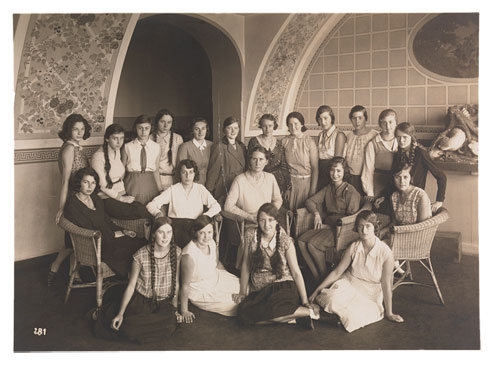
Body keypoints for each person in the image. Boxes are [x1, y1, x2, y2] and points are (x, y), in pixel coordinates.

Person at [309, 210, 404, 333]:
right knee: (329, 298)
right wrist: (317, 290)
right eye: (360, 226)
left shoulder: (385, 252)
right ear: (356, 228)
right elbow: (337, 272)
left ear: (375, 227)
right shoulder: (354, 246)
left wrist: (389, 313)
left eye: (368, 226)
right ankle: (332, 316)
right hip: (350, 283)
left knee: (355, 315)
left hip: (371, 292)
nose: (364, 231)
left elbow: (386, 284)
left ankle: (333, 317)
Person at [96, 217, 182, 344]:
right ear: (153, 234)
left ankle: (147, 327)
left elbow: (177, 283)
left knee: (169, 325)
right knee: (127, 327)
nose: (165, 237)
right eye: (160, 232)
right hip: (141, 301)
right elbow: (131, 286)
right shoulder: (140, 255)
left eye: (169, 232)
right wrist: (120, 313)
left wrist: (175, 310)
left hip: (163, 303)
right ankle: (104, 315)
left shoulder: (177, 252)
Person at [235, 203, 320, 329]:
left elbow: (296, 273)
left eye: (270, 220)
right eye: (262, 220)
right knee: (243, 315)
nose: (266, 225)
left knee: (273, 310)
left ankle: (310, 313)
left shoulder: (286, 241)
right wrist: (242, 292)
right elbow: (246, 265)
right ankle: (295, 318)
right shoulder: (250, 236)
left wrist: (305, 301)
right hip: (261, 291)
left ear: (276, 221)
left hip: (284, 286)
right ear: (257, 221)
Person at [63, 167, 147, 278]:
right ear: (79, 182)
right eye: (86, 182)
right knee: (132, 249)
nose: (90, 186)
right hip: (94, 245)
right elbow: (87, 229)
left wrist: (123, 231)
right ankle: (132, 279)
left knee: (142, 243)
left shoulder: (96, 199)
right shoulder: (72, 205)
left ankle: (136, 280)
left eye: (93, 183)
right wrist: (114, 235)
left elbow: (106, 220)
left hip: (109, 238)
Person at [298, 157, 361, 282]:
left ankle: (324, 276)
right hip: (328, 225)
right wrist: (316, 214)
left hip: (342, 230)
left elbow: (351, 219)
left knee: (311, 245)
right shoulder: (328, 188)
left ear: (344, 172)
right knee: (300, 241)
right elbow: (310, 201)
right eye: (333, 170)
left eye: (338, 171)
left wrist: (332, 226)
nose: (335, 174)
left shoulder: (351, 191)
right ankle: (317, 276)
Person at [224, 146, 283, 268]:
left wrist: (270, 213)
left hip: (268, 221)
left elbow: (278, 199)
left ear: (266, 161)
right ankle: (254, 273)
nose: (257, 163)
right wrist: (250, 217)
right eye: (254, 159)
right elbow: (228, 206)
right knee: (255, 242)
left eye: (261, 159)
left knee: (282, 239)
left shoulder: (270, 178)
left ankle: (277, 270)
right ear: (249, 161)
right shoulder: (240, 180)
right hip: (249, 223)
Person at [50, 114, 91, 287]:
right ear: (69, 130)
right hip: (73, 200)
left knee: (76, 239)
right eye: (76, 129)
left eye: (82, 129)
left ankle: (72, 273)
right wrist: (61, 208)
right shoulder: (68, 148)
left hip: (81, 198)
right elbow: (66, 180)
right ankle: (54, 268)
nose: (80, 132)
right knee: (71, 240)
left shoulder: (77, 147)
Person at [146, 159, 221, 248]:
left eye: (190, 172)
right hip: (176, 227)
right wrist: (158, 213)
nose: (187, 176)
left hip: (195, 225)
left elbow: (216, 206)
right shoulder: (173, 189)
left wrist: (204, 216)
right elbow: (151, 205)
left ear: (195, 174)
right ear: (179, 174)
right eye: (184, 172)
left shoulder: (200, 189)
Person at [179, 215, 240, 321]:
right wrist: (184, 311)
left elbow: (216, 263)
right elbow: (185, 286)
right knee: (235, 304)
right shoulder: (189, 255)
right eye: (202, 232)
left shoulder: (211, 243)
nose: (206, 237)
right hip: (201, 290)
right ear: (195, 233)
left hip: (216, 277)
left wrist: (228, 278)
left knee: (245, 289)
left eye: (209, 232)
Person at [91, 124, 151, 220]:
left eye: (122, 138)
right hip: (106, 199)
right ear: (107, 139)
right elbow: (102, 185)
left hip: (121, 193)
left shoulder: (117, 151)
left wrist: (123, 196)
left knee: (143, 208)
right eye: (115, 138)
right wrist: (121, 198)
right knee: (140, 212)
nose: (119, 142)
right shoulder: (98, 157)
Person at [391, 122, 446, 213]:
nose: (401, 141)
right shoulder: (397, 155)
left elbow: (442, 176)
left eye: (405, 137)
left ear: (411, 137)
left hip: (416, 200)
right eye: (398, 137)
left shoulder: (420, 154)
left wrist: (439, 201)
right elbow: (392, 180)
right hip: (399, 200)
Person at [247, 113, 291, 201]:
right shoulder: (254, 141)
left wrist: (288, 187)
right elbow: (249, 164)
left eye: (270, 126)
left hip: (279, 181)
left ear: (274, 126)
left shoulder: (279, 143)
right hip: (259, 180)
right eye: (264, 126)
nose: (267, 129)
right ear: (261, 126)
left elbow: (283, 166)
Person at [282, 111, 319, 211]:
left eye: (296, 124)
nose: (293, 127)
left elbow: (315, 168)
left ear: (302, 124)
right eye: (290, 124)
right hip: (290, 184)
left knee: (302, 215)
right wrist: (287, 187)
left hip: (305, 184)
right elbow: (283, 166)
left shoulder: (309, 141)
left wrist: (312, 190)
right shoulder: (284, 141)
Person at [122, 115, 163, 205]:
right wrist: (120, 190)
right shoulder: (127, 146)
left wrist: (160, 190)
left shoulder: (156, 147)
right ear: (135, 128)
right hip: (132, 183)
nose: (143, 132)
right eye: (140, 128)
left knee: (150, 209)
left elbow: (156, 170)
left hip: (150, 183)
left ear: (151, 128)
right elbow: (122, 171)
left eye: (146, 128)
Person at [206, 116, 247, 203]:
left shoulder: (241, 146)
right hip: (224, 188)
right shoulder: (219, 147)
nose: (233, 131)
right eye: (229, 128)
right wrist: (208, 192)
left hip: (240, 186)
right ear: (224, 130)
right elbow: (213, 172)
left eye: (236, 128)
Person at [361, 109, 399, 201]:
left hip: (398, 183)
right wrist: (370, 192)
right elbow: (368, 170)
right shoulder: (373, 144)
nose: (388, 126)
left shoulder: (401, 140)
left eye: (390, 122)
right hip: (379, 184)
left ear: (396, 123)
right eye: (384, 123)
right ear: (380, 124)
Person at [345, 105, 379, 196]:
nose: (357, 121)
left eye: (360, 118)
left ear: (365, 118)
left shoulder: (374, 135)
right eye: (354, 118)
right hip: (351, 177)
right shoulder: (349, 136)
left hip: (367, 176)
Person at [315, 105, 347, 191]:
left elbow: (337, 161)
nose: (323, 122)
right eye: (320, 119)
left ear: (331, 118)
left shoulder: (339, 135)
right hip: (321, 171)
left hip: (333, 172)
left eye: (326, 118)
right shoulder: (320, 135)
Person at [151, 109, 184, 191]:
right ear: (157, 122)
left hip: (173, 179)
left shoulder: (178, 138)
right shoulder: (150, 138)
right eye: (162, 122)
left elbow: (181, 161)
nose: (166, 125)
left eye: (169, 122)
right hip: (154, 179)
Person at [176, 117, 213, 186]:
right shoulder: (185, 147)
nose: (200, 132)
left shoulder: (212, 145)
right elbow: (181, 171)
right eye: (197, 129)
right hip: (192, 185)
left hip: (209, 186)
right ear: (192, 131)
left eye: (203, 128)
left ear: (206, 130)